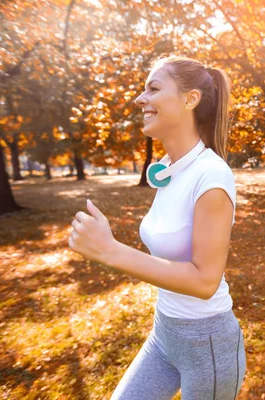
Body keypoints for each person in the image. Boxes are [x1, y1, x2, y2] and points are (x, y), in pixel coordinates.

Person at [68, 55, 245, 399]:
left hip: (207, 342)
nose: (139, 98)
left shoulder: (211, 176)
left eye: (153, 88)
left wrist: (111, 251)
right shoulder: (167, 169)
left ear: (190, 99)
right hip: (165, 332)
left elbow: (206, 281)